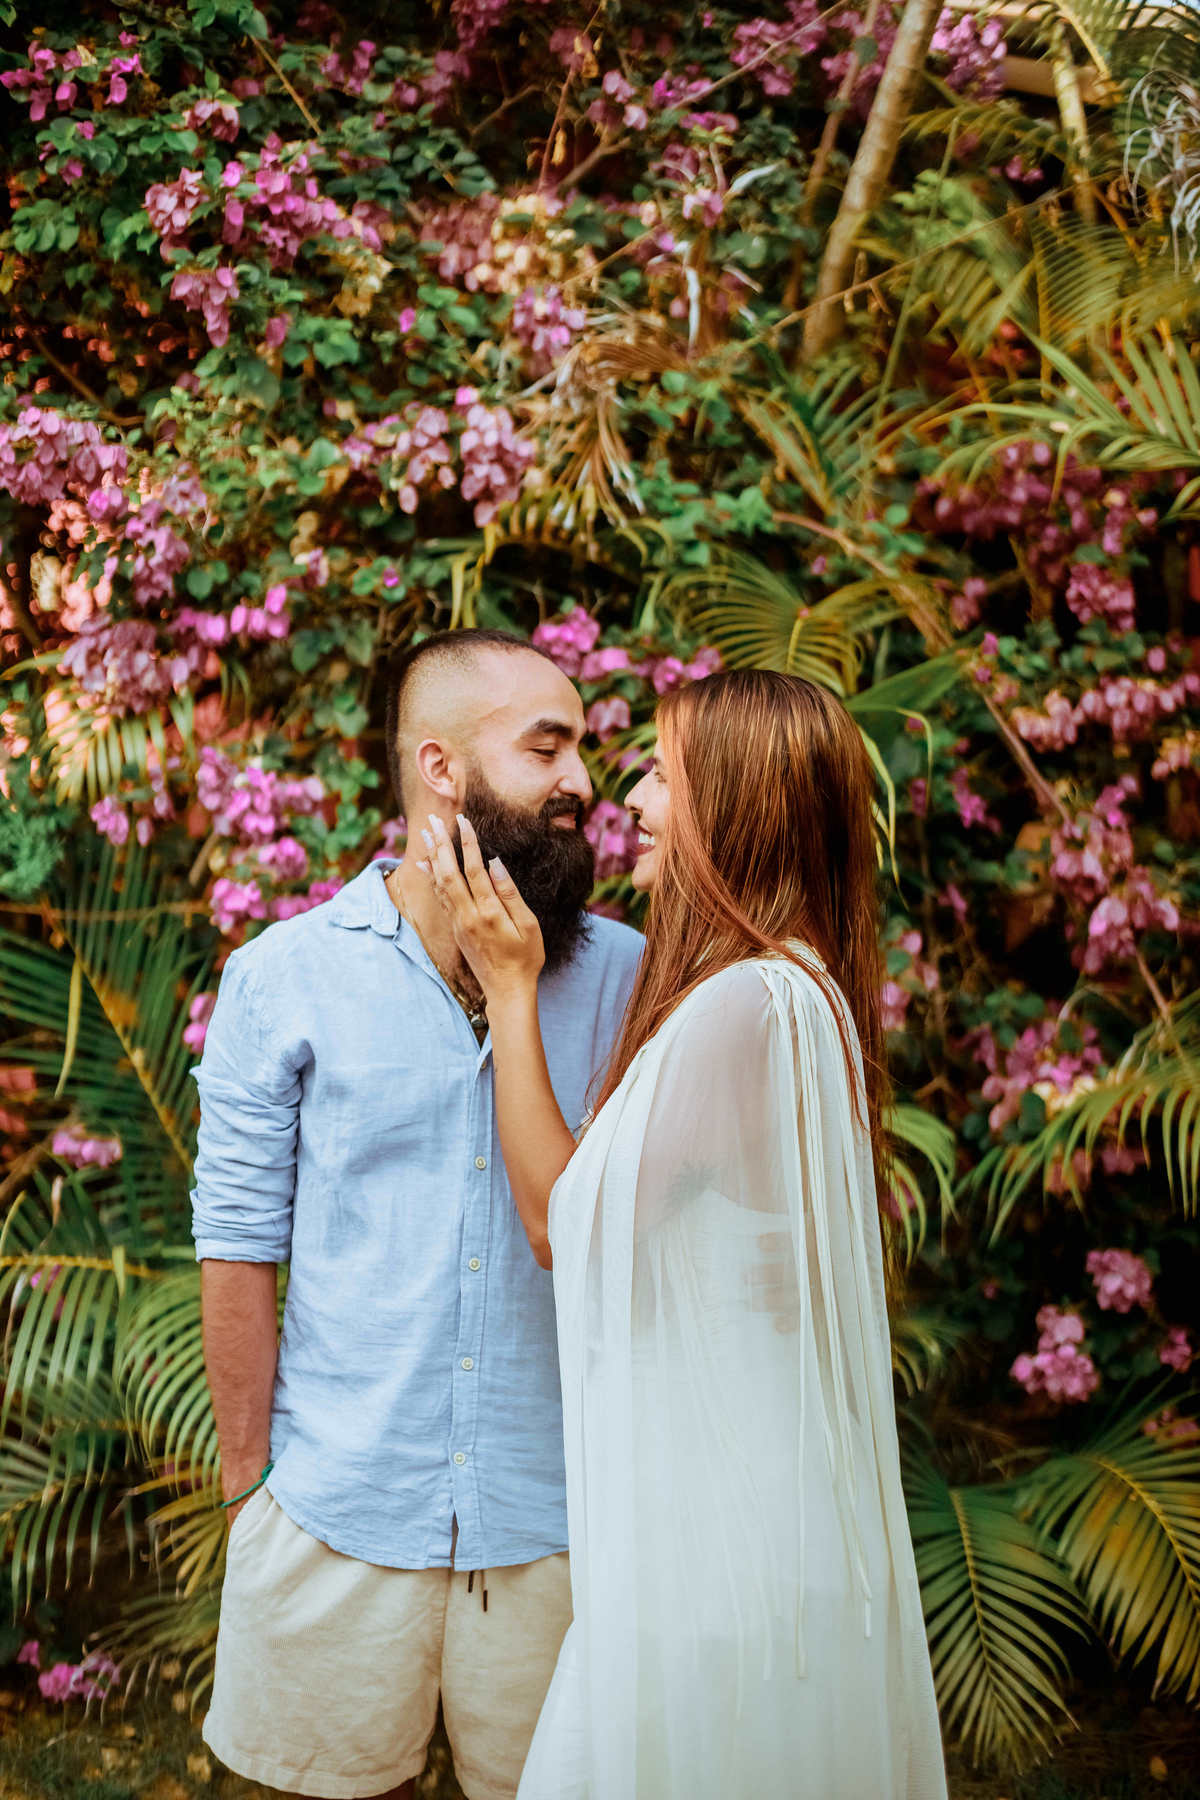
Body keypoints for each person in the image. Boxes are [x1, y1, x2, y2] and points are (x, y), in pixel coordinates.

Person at [421, 668, 949, 1799]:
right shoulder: (801, 992)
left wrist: (511, 991)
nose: (636, 797)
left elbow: (562, 1225)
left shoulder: (743, 1006)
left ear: (736, 803)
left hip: (720, 1527)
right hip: (764, 1491)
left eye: (665, 773)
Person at [191, 628, 643, 1800]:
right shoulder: (282, 977)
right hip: (337, 1513)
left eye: (584, 750)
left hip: (561, 1531)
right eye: (549, 747)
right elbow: (237, 1245)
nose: (583, 783)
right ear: (442, 768)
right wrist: (253, 1487)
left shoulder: (630, 979)